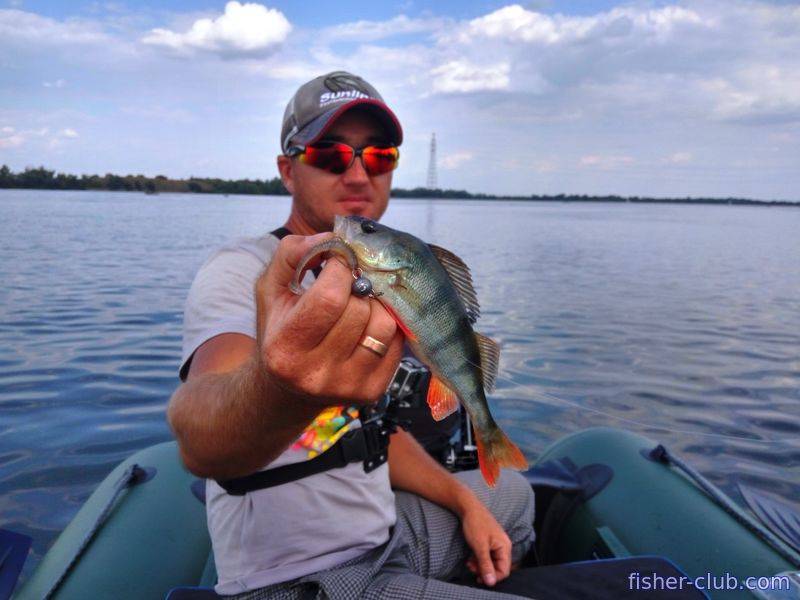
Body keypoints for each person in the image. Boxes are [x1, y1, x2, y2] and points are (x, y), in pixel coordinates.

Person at [168, 71, 535, 599]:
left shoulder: (373, 283)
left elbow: (364, 429)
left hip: (384, 531)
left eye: (381, 156)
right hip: (302, 574)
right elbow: (200, 438)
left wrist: (465, 503)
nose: (360, 175)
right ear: (287, 171)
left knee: (513, 498)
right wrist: (283, 386)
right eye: (331, 155)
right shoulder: (242, 270)